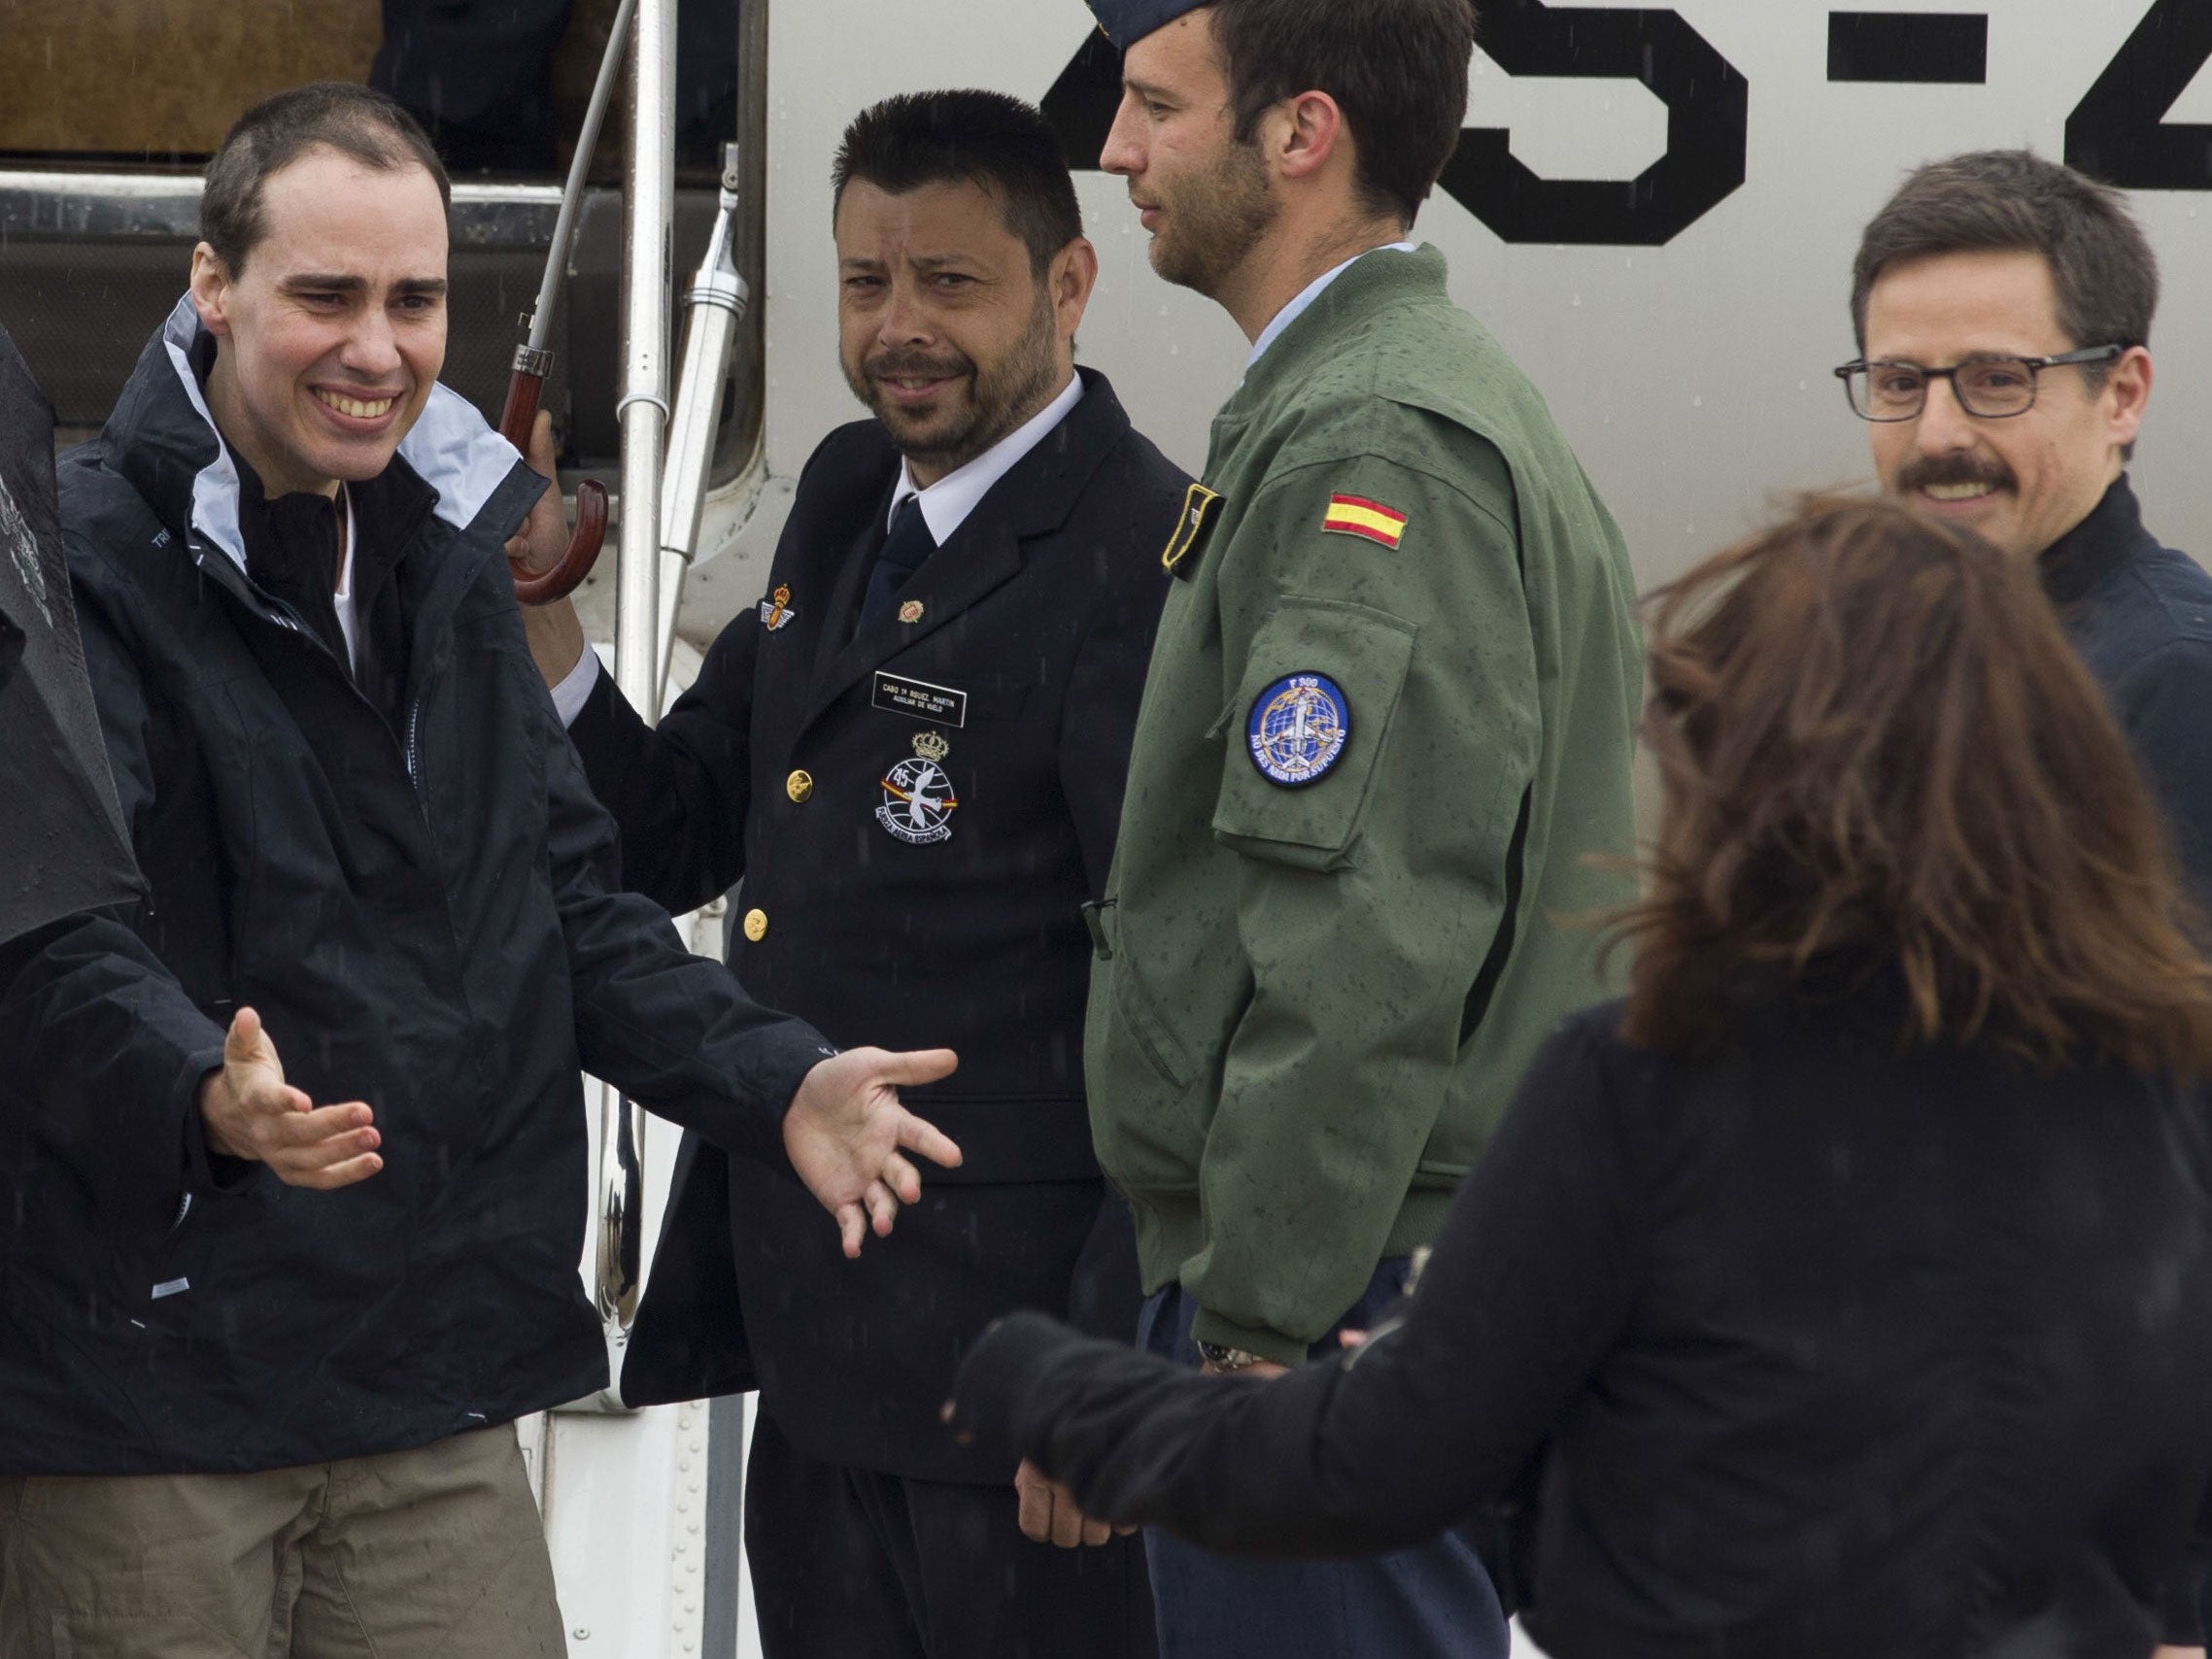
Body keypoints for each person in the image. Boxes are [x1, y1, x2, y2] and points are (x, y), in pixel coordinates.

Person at [0, 82, 961, 1659]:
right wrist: (199, 1093)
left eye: (414, 300)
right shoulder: (85, 557)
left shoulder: (447, 562)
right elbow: (50, 941)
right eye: (326, 296)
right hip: (147, 1417)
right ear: (212, 292)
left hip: (428, 1395)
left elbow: (572, 913)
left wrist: (776, 1080)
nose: (376, 347)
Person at [949, 495, 2212, 1659]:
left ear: (1763, 776)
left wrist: (1042, 1381)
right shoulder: (2153, 1093)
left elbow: (1363, 1471)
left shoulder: (1650, 1089)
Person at [515, 90, 1184, 1659]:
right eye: (864, 283)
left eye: (949, 282)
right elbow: (672, 826)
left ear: (1068, 285)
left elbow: (1173, 997)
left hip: (1013, 1383)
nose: (899, 328)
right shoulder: (838, 492)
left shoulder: (1141, 558)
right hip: (812, 1340)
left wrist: (1099, 1368)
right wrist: (537, 606)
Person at [1072, 1, 1643, 1653]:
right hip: (1387, 1268)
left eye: (1152, 108)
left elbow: (1369, 928)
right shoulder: (1383, 399)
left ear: (1299, 134)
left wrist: (1258, 1307)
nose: (1115, 152)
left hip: (1337, 1291)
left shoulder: (1366, 440)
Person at [1845, 149, 2212, 901]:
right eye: (1900, 383)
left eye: (1996, 380)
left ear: (2120, 395)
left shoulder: (2176, 686)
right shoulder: (1876, 655)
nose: (1935, 434)